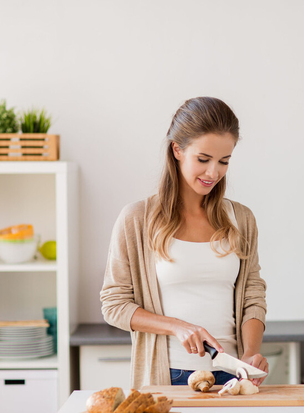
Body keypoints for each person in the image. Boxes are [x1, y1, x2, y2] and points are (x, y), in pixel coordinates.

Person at [101, 97, 268, 389]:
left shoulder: (241, 219)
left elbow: (253, 295)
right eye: (203, 159)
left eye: (224, 161)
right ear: (177, 150)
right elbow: (114, 305)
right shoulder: (137, 220)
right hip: (169, 375)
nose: (213, 172)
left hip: (233, 376)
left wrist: (251, 352)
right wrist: (177, 326)